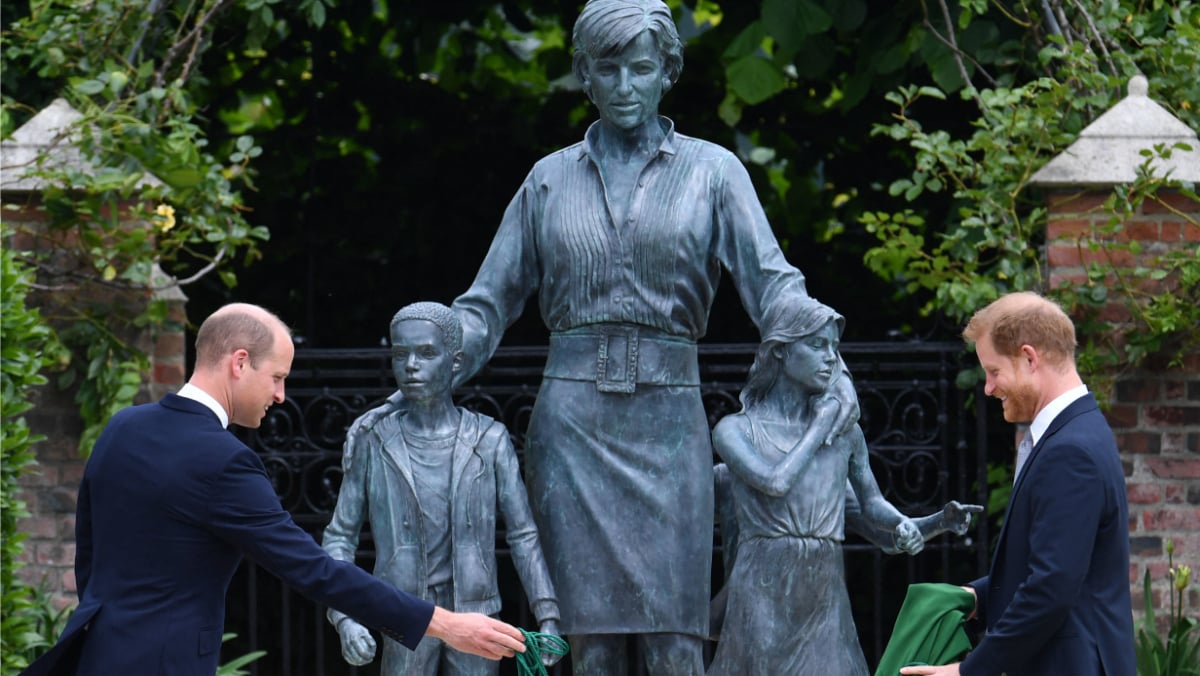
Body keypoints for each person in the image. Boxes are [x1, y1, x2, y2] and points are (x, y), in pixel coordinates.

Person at [349, 1, 859, 672]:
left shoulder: (713, 173)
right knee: (589, 647)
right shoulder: (549, 179)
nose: (624, 86)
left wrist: (825, 354)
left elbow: (775, 287)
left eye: (640, 68)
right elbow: (485, 306)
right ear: (585, 76)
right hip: (574, 429)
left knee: (677, 640)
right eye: (607, 69)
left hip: (670, 418)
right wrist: (431, 363)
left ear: (667, 73)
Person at [21, 303, 529, 676]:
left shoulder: (122, 429)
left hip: (94, 655)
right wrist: (445, 625)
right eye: (278, 377)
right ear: (239, 362)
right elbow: (315, 570)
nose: (282, 396)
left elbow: (88, 552)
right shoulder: (223, 462)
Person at [705, 294, 978, 675]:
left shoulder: (845, 435)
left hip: (823, 593)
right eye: (817, 345)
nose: (831, 357)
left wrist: (926, 523)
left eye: (834, 347)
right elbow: (775, 482)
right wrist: (820, 426)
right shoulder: (736, 430)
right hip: (762, 589)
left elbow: (873, 509)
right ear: (780, 351)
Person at [899, 291, 1135, 676]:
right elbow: (1062, 567)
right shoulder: (1077, 432)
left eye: (993, 372)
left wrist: (967, 671)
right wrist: (978, 595)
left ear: (1029, 358)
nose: (989, 388)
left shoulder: (1069, 450)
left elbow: (1051, 589)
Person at [322, 302, 562, 674]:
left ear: (455, 362)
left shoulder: (490, 440)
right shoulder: (373, 441)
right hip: (401, 612)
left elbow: (523, 534)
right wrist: (344, 617)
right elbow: (340, 537)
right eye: (400, 355)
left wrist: (548, 615)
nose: (411, 366)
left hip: (477, 612)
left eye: (427, 353)